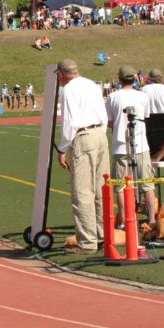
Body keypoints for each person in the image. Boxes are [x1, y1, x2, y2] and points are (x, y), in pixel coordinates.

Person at [56, 59, 109, 254]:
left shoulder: (69, 90)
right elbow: (103, 115)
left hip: (84, 136)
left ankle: (87, 242)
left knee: (83, 192)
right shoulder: (91, 85)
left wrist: (62, 149)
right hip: (100, 135)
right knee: (101, 189)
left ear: (61, 75)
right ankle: (103, 235)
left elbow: (69, 123)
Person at [105, 66, 157, 225]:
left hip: (120, 145)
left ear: (119, 79)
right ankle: (152, 219)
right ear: (135, 78)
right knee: (147, 182)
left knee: (120, 185)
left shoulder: (113, 97)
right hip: (141, 144)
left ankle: (124, 219)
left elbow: (109, 121)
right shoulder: (142, 96)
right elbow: (146, 116)